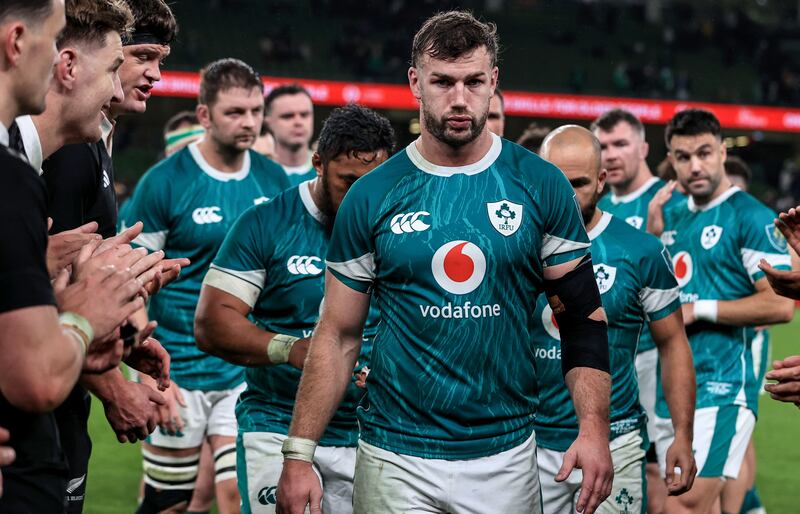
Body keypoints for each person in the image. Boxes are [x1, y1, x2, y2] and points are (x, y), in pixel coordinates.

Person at [276, 11, 614, 514]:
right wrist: (299, 453)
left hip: (505, 453)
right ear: (415, 82)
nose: (459, 99)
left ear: (494, 81)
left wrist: (593, 430)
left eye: (474, 82)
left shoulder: (541, 185)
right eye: (443, 82)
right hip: (395, 454)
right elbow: (339, 332)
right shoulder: (371, 195)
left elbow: (582, 319)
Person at [0, 1, 166, 510]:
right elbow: (35, 379)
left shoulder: (22, 168)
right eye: (118, 66)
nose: (119, 88)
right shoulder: (13, 178)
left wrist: (44, 269)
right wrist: (82, 318)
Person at [195, 104, 395, 513]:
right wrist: (292, 349)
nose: (362, 200)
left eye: (373, 186)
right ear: (318, 163)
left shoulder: (398, 229)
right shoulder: (267, 223)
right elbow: (212, 321)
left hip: (372, 431)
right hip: (276, 423)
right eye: (349, 182)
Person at [121, 58, 290, 514]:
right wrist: (148, 368)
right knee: (170, 502)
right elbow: (133, 280)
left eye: (256, 111)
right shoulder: (165, 182)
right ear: (204, 116)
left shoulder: (273, 181)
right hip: (176, 369)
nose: (250, 122)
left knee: (240, 494)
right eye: (236, 112)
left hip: (241, 371)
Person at [534, 125, 696, 514]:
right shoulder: (513, 247)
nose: (567, 196)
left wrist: (682, 436)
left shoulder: (640, 251)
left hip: (615, 440)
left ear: (602, 181)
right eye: (556, 182)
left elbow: (673, 343)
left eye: (580, 183)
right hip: (527, 443)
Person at [648, 109, 795, 514]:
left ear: (720, 151)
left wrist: (700, 310)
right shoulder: (672, 216)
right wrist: (652, 239)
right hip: (673, 389)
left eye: (704, 153)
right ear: (672, 160)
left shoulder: (751, 217)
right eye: (682, 157)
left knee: (685, 503)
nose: (695, 165)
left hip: (723, 387)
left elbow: (780, 305)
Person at [591, 108, 685, 513]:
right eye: (604, 146)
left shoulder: (671, 199)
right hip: (611, 361)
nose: (611, 155)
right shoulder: (595, 203)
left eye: (621, 144)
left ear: (644, 147)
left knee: (665, 472)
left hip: (656, 356)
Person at [264, 83, 315, 185]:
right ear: (268, 123)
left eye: (304, 115)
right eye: (287, 116)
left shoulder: (328, 171)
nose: (298, 122)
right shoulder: (256, 171)